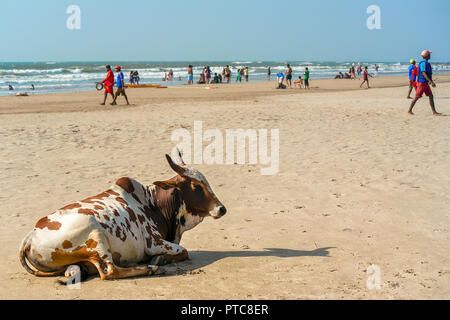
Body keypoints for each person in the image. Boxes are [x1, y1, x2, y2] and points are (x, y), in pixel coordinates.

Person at [408, 50, 441, 115]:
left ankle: (434, 111)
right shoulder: (423, 63)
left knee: (431, 96)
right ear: (427, 56)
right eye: (429, 54)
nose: (430, 56)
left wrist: (430, 82)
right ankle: (409, 110)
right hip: (421, 83)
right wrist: (431, 82)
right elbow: (424, 73)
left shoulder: (426, 63)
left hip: (425, 83)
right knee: (417, 97)